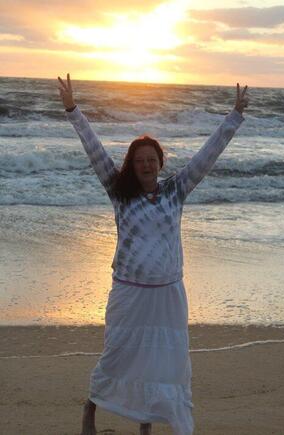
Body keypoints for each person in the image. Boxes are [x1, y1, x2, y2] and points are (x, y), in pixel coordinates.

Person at [57, 73, 248, 435]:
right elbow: (94, 148)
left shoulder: (177, 190)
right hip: (129, 293)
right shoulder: (119, 191)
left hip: (168, 295)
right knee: (118, 354)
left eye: (152, 159)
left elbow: (208, 156)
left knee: (161, 364)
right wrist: (72, 110)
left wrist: (234, 117)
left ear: (161, 163)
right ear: (132, 164)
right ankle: (90, 409)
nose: (146, 165)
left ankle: (146, 424)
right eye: (139, 160)